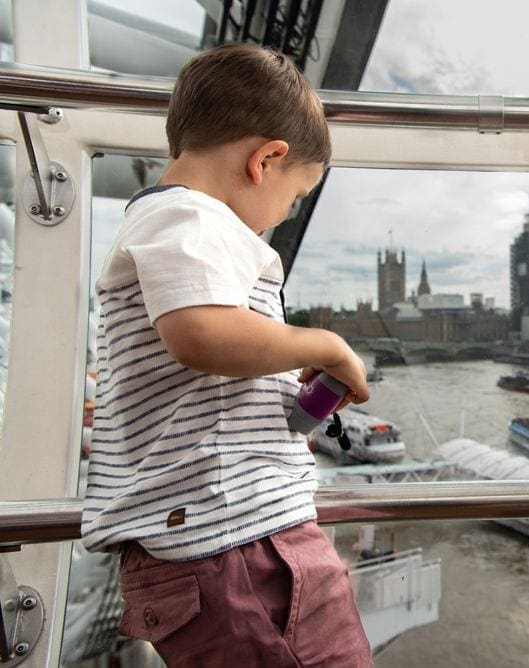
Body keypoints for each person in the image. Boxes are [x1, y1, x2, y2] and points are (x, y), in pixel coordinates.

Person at [81, 43, 373, 667]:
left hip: (223, 542)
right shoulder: (189, 217)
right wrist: (324, 343)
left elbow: (202, 366)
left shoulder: (171, 225)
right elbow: (202, 335)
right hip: (237, 542)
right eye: (297, 196)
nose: (285, 214)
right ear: (266, 160)